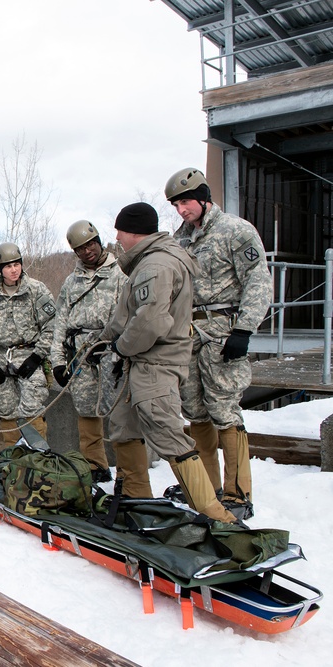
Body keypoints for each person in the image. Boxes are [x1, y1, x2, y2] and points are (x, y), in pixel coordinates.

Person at [92, 203, 238, 524]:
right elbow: (128, 315)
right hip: (138, 364)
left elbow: (151, 322)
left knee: (168, 433)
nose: (116, 238)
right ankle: (136, 501)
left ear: (133, 232)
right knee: (124, 425)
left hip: (153, 365)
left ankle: (215, 515)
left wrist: (120, 346)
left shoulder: (155, 266)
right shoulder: (150, 262)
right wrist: (102, 342)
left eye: (119, 232)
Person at [167, 168, 269, 520]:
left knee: (224, 410)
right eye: (176, 205)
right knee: (194, 410)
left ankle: (238, 494)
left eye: (185, 202)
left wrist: (245, 329)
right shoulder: (179, 240)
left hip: (223, 332)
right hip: (188, 335)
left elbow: (258, 281)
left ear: (203, 196)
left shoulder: (235, 231)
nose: (181, 210)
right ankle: (206, 489)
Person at [49, 221, 127, 483]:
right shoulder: (72, 282)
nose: (88, 251)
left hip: (111, 351)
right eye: (81, 249)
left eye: (90, 245)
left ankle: (127, 470)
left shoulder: (120, 275)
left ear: (99, 241)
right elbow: (60, 322)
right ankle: (95, 464)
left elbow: (131, 317)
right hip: (79, 351)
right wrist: (58, 362)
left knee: (116, 408)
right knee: (85, 408)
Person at [0, 242, 56, 445]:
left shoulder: (36, 290)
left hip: (29, 355)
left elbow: (51, 326)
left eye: (16, 264)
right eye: (8, 266)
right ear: (0, 269)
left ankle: (38, 462)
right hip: (1, 357)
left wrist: (38, 356)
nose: (13, 270)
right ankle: (13, 464)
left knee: (32, 408)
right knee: (6, 410)